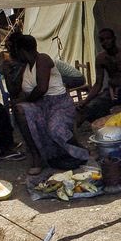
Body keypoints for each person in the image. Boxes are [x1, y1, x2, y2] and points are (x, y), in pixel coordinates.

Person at [7, 33, 89, 175]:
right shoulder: (25, 67)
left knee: (54, 128)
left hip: (59, 104)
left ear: (22, 51)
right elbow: (15, 92)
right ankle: (36, 157)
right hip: (40, 105)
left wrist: (25, 100)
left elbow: (42, 88)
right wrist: (8, 72)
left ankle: (77, 151)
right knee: (19, 110)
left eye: (14, 50)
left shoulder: (43, 59)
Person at [76, 28, 121, 124]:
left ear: (114, 39)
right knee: (91, 107)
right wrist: (85, 101)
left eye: (108, 38)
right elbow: (98, 84)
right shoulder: (101, 58)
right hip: (112, 92)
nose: (105, 42)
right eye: (102, 40)